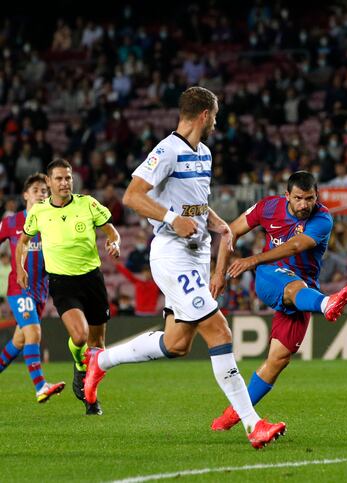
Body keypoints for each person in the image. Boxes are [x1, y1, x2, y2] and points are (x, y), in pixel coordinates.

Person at [82, 86, 284, 449]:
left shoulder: (204, 153)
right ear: (204, 114)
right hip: (172, 254)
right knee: (220, 331)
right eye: (216, 115)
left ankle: (102, 359)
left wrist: (219, 222)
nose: (216, 122)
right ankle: (253, 425)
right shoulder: (167, 150)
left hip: (196, 252)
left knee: (176, 344)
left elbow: (196, 204)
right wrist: (172, 219)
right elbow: (131, 196)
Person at [207, 170, 347, 431]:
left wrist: (252, 258)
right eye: (299, 198)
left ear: (317, 196)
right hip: (270, 276)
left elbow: (296, 246)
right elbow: (230, 231)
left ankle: (233, 414)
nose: (304, 205)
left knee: (279, 359)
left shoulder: (323, 218)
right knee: (293, 286)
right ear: (287, 195)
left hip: (303, 291)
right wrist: (219, 273)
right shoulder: (268, 207)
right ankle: (327, 304)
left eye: (309, 199)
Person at [17, 160, 120, 415]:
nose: (64, 183)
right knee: (80, 336)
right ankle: (79, 366)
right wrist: (21, 267)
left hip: (92, 279)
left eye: (68, 178)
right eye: (59, 179)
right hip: (63, 282)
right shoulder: (39, 212)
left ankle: (91, 397)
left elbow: (112, 231)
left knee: (98, 346)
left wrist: (114, 243)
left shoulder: (87, 204)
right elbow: (23, 241)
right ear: (49, 182)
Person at [0, 173, 65, 402]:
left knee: (19, 341)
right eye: (36, 190)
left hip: (40, 291)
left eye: (45, 191)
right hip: (19, 289)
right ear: (25, 195)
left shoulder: (53, 222)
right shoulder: (11, 222)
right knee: (34, 333)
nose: (41, 194)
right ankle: (40, 386)